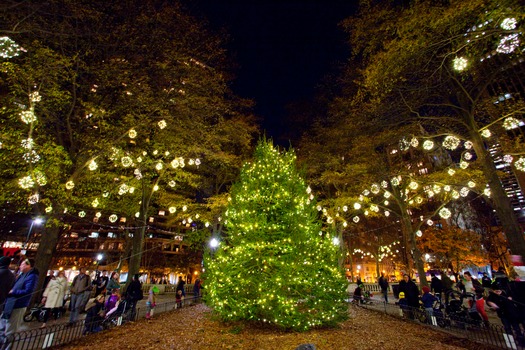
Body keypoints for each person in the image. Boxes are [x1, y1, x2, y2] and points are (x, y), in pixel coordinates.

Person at [0, 258, 39, 349]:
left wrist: (13, 292)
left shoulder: (32, 276)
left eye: (22, 264)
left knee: (10, 330)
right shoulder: (22, 275)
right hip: (9, 304)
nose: (20, 266)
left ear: (28, 265)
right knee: (2, 327)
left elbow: (28, 291)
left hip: (18, 305)